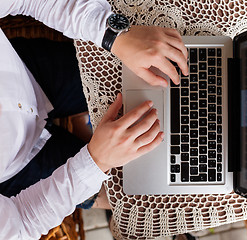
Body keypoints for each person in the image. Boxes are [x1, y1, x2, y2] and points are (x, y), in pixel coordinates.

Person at [0, 0, 188, 239]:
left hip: (27, 75)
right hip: (17, 171)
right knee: (138, 192)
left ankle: (83, 123)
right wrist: (96, 160)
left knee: (147, 77)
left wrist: (113, 35)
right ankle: (118, 210)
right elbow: (22, 222)